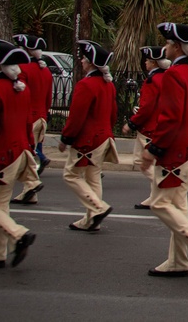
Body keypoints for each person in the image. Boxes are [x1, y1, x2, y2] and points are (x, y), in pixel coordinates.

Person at [140, 22, 188, 279]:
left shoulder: (175, 74)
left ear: (176, 46)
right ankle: (178, 261)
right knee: (177, 204)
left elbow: (171, 118)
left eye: (167, 43)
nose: (164, 48)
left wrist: (153, 149)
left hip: (176, 149)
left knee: (160, 203)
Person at [0, 39, 37, 269]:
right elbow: (27, 122)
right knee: (0, 203)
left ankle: (18, 233)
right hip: (18, 152)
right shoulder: (21, 88)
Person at [59, 40, 118, 232]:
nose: (82, 62)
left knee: (70, 175)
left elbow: (77, 116)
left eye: (84, 59)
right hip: (103, 137)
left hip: (87, 139)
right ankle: (91, 219)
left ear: (91, 63)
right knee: (93, 178)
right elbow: (113, 114)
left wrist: (66, 138)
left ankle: (98, 208)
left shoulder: (86, 84)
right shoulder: (108, 84)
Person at [122, 46, 169, 210]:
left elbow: (147, 106)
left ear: (154, 62)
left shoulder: (152, 81)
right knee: (153, 163)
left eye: (148, 60)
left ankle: (161, 189)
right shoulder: (166, 78)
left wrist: (132, 123)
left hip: (150, 127)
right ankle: (155, 195)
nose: (145, 63)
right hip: (159, 124)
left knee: (141, 160)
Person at [10, 35, 51, 204]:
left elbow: (22, 96)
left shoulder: (23, 69)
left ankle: (31, 183)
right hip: (41, 117)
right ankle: (30, 191)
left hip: (29, 118)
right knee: (29, 153)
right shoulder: (46, 71)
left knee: (23, 153)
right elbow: (49, 98)